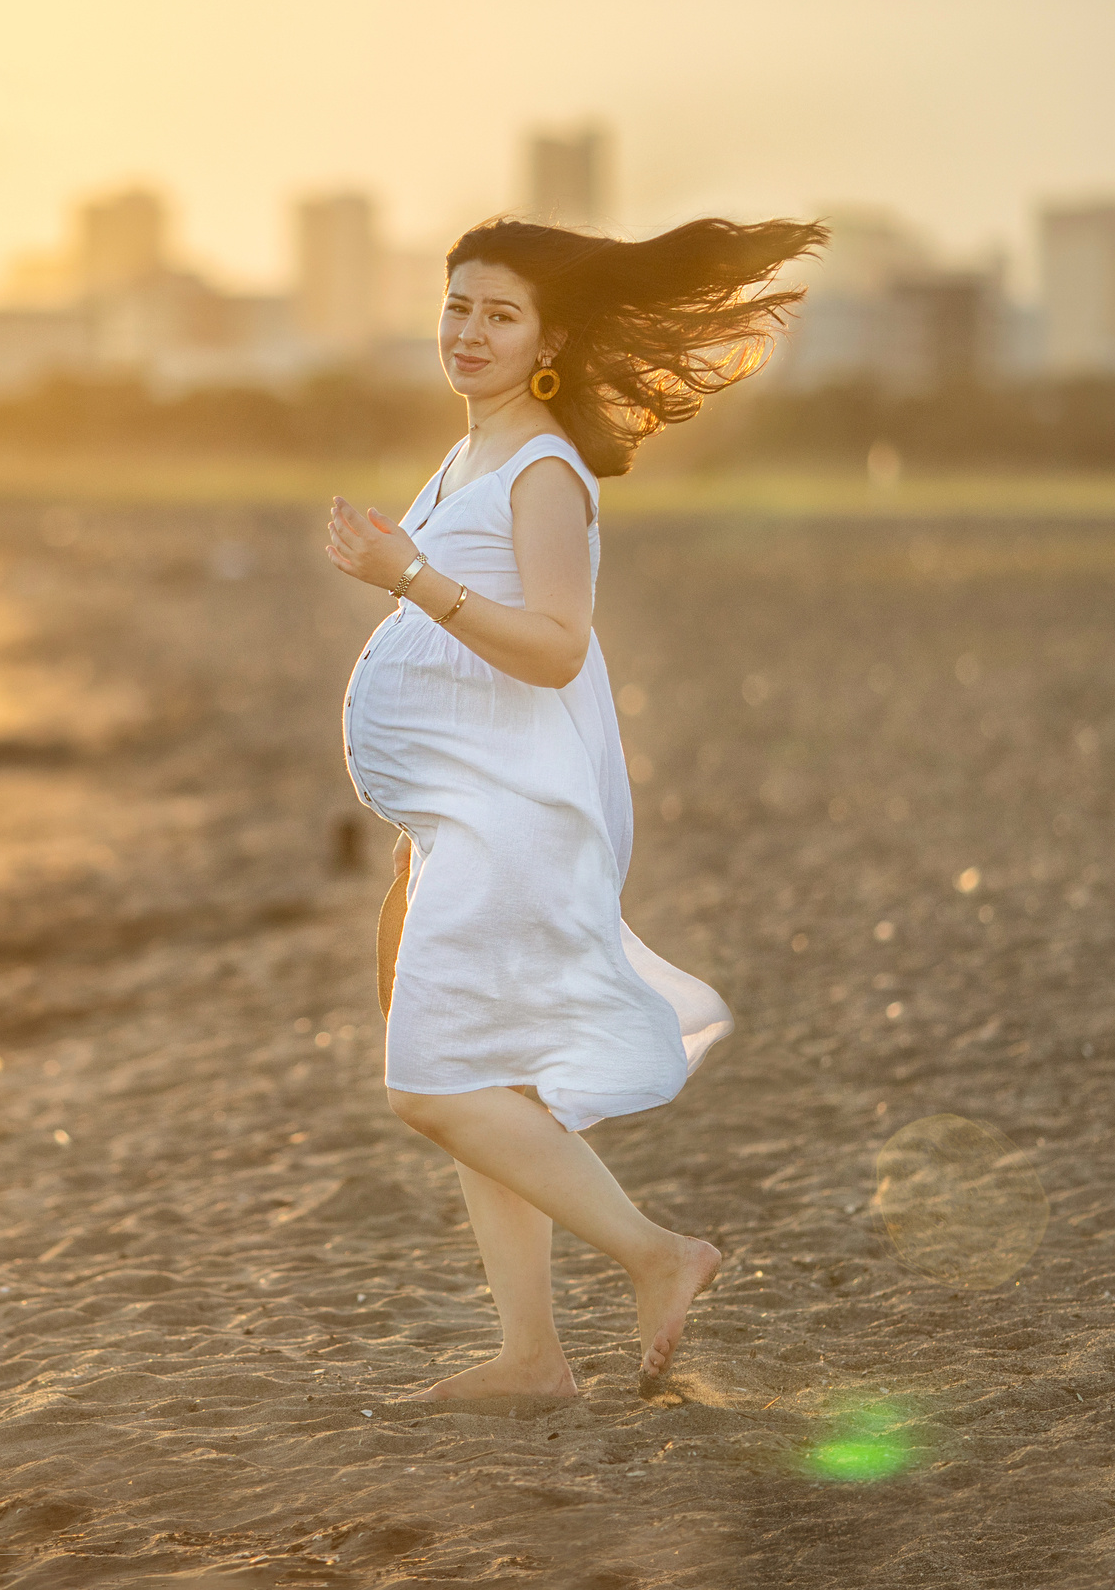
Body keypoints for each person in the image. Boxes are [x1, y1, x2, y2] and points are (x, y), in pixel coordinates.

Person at [326, 213, 823, 1400]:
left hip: (514, 831)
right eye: (457, 306)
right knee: (483, 1080)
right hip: (464, 825)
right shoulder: (469, 456)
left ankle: (658, 1257)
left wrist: (409, 576)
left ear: (549, 338)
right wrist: (419, 836)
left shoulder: (542, 470)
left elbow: (553, 648)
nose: (469, 332)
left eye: (499, 314)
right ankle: (531, 1355)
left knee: (430, 1087)